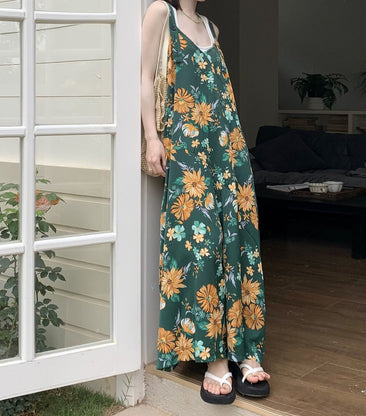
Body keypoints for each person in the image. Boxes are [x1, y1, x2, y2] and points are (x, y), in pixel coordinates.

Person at [141, 0, 271, 404]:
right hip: (188, 152)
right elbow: (144, 77)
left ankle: (245, 349)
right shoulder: (161, 13)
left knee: (240, 243)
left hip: (229, 150)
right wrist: (151, 138)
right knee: (200, 247)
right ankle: (214, 357)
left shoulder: (213, 30)